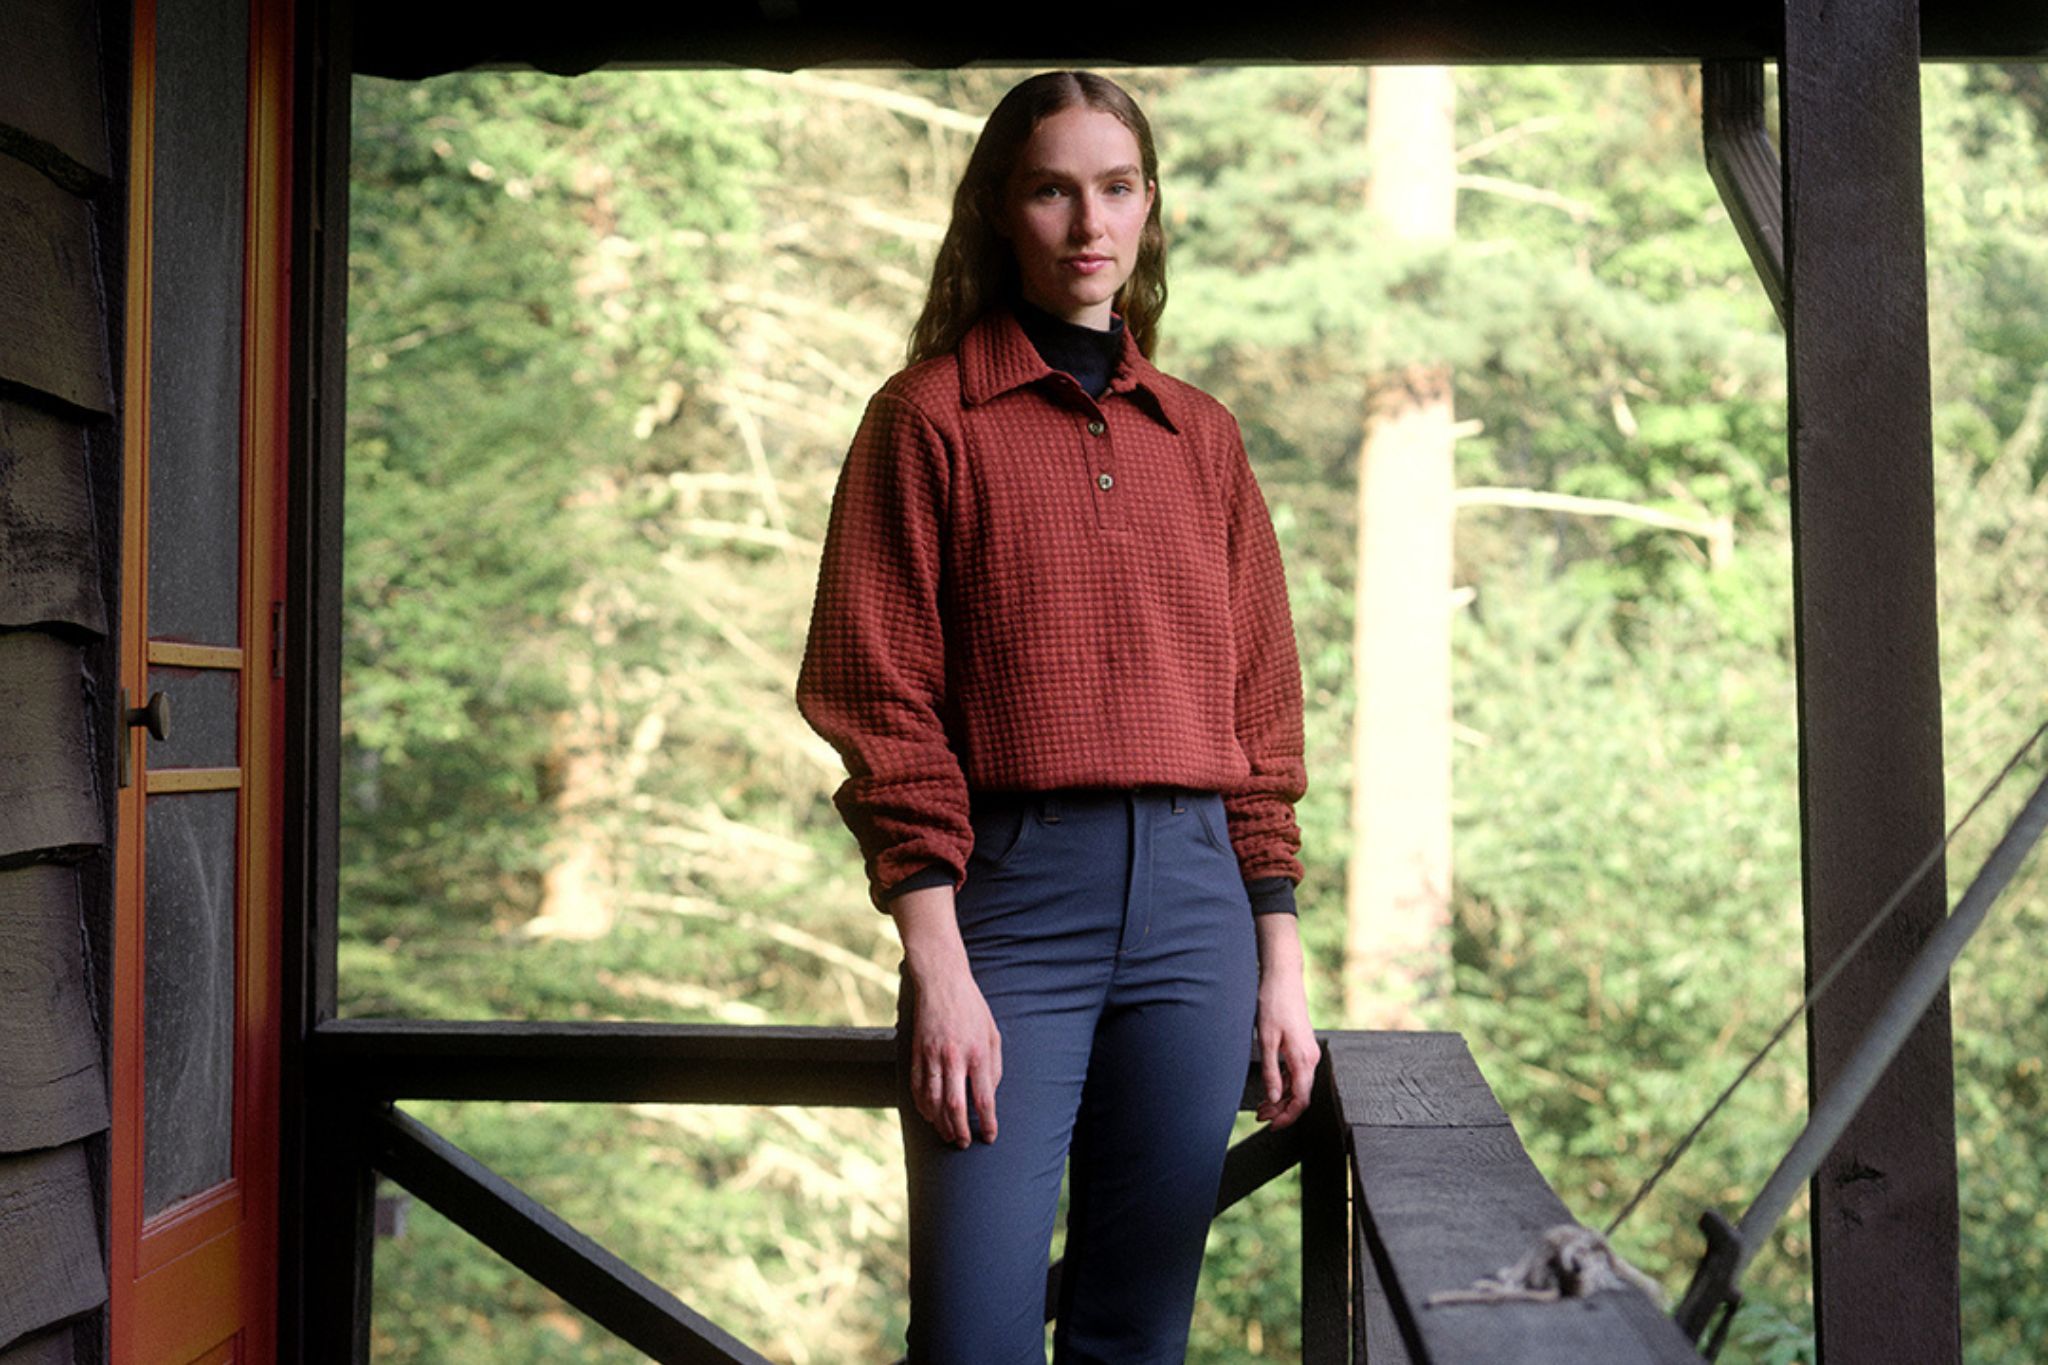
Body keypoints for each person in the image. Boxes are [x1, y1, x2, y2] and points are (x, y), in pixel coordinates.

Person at [797, 69, 1318, 1364]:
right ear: (999, 211)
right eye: (1053, 188)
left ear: (1149, 207)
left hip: (1201, 907)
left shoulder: (1204, 438)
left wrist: (1282, 964)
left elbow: (1260, 715)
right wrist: (938, 966)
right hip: (1010, 907)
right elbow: (877, 696)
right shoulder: (924, 422)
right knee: (973, 1336)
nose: (1090, 221)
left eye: (1118, 187)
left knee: (1135, 1335)